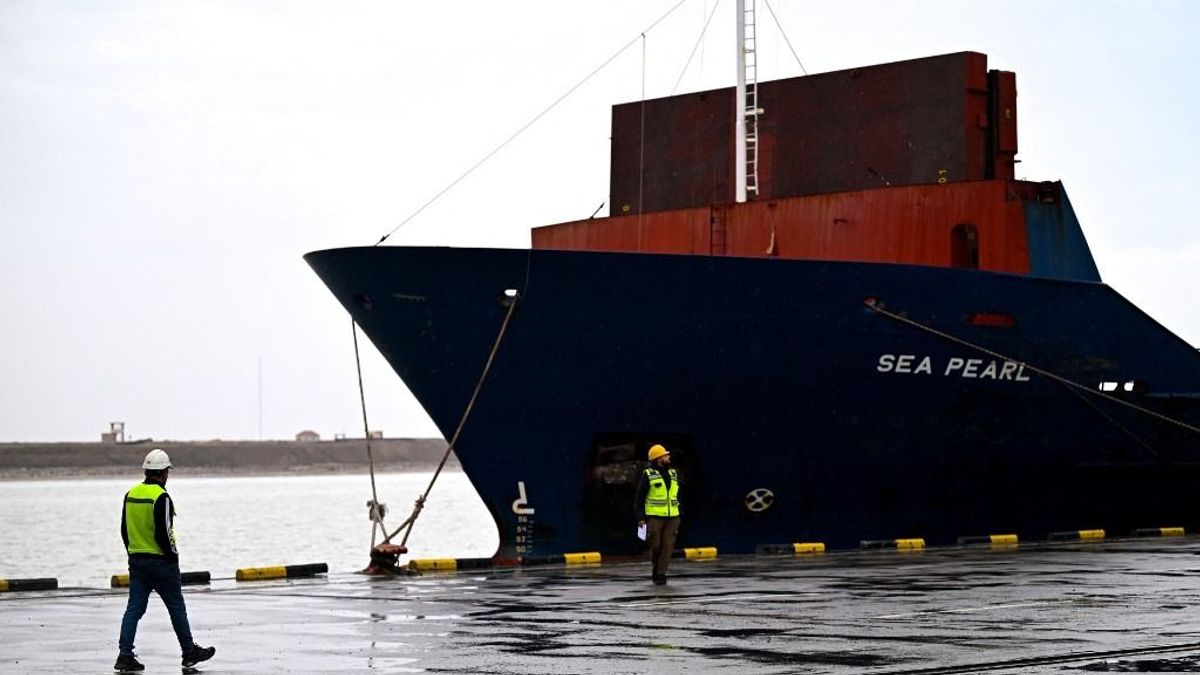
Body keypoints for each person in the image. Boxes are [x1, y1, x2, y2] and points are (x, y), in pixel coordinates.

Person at [115, 449, 215, 672]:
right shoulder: (161, 497)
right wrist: (173, 557)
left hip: (137, 561)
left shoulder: (130, 494)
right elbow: (165, 532)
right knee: (176, 607)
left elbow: (124, 529)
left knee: (134, 609)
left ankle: (125, 655)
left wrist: (133, 553)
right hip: (161, 563)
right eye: (168, 471)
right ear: (163, 473)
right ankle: (189, 652)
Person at [634, 443, 681, 585]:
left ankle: (661, 574)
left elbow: (678, 495)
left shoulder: (673, 473)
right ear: (658, 458)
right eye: (665, 455)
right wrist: (641, 517)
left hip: (672, 517)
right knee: (655, 545)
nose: (668, 457)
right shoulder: (648, 475)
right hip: (654, 517)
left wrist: (680, 512)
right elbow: (640, 497)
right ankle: (656, 568)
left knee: (667, 546)